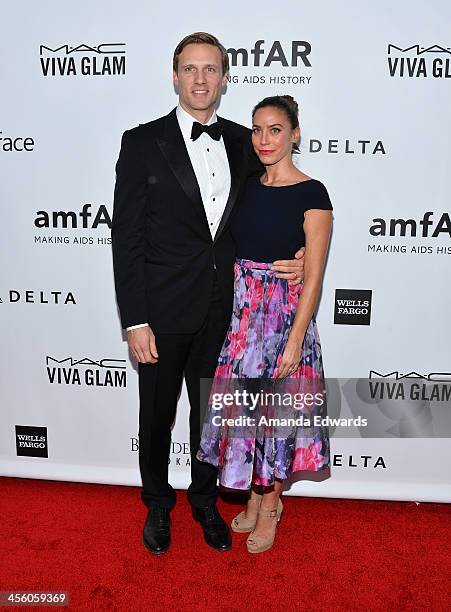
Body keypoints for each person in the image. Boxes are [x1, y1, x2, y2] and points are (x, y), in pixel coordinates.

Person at [111, 33, 305, 555]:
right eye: (190, 69)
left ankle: (203, 500)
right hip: (161, 309)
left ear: (225, 77)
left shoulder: (247, 142)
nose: (200, 79)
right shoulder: (140, 141)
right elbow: (125, 237)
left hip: (228, 310)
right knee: (155, 414)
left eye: (211, 69)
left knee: (212, 414)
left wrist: (307, 252)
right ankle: (156, 502)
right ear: (175, 77)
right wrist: (135, 319)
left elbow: (281, 204)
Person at [197, 95, 333, 553]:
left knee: (275, 418)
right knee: (247, 415)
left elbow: (313, 273)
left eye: (275, 129)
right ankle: (255, 497)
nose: (264, 139)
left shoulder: (313, 193)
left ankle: (271, 505)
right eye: (257, 130)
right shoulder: (247, 185)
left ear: (295, 133)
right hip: (242, 322)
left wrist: (295, 340)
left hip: (281, 323)